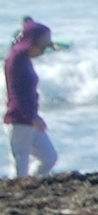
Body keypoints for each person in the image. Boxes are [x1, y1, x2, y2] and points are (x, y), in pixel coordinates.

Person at [6, 19, 57, 179]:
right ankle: (16, 196)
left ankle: (30, 186)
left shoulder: (24, 59)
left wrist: (35, 116)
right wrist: (32, 117)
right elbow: (16, 94)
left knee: (49, 158)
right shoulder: (15, 60)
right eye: (42, 47)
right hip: (18, 120)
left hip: (29, 119)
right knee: (19, 168)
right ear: (31, 43)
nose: (43, 52)